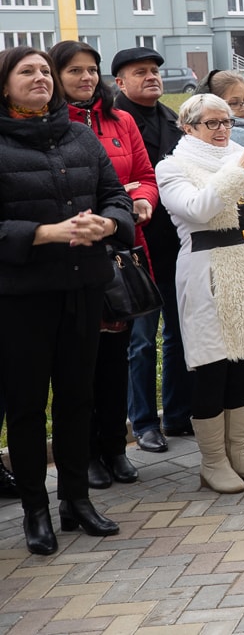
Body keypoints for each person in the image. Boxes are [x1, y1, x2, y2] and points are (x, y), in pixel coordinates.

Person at [3, 46, 134, 555]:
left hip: (85, 287)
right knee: (28, 407)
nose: (39, 78)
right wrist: (43, 232)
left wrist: (109, 224)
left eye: (42, 71)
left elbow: (116, 196)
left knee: (79, 399)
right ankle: (36, 510)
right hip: (22, 298)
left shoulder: (79, 135)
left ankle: (76, 501)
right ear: (5, 83)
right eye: (26, 71)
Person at [156, 94, 244, 493]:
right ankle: (212, 461)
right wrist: (241, 168)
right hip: (211, 273)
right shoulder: (173, 166)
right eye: (212, 123)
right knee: (213, 368)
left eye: (227, 123)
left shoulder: (242, 155)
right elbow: (199, 209)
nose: (222, 130)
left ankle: (238, 451)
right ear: (189, 127)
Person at [48, 41, 153, 491]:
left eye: (92, 71)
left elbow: (145, 175)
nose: (86, 79)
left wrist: (144, 199)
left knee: (116, 358)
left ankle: (115, 446)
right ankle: (86, 452)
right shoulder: (54, 127)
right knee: (81, 363)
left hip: (125, 253)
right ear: (55, 76)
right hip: (77, 256)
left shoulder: (120, 119)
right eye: (75, 72)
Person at [111, 47, 192, 454]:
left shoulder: (173, 120)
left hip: (177, 245)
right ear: (119, 82)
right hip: (135, 247)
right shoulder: (112, 123)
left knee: (180, 333)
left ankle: (177, 414)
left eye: (155, 71)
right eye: (140, 72)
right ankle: (143, 422)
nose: (152, 77)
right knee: (141, 341)